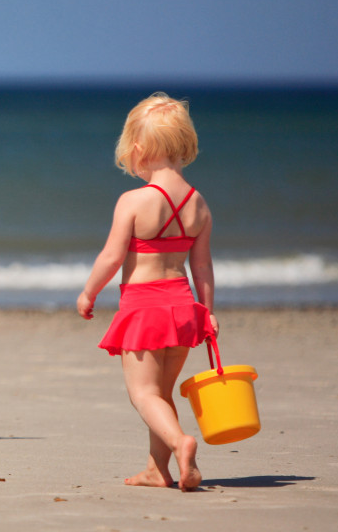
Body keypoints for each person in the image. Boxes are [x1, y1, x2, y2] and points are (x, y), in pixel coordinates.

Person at [77, 92, 220, 491]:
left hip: (143, 309)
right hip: (182, 306)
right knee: (162, 394)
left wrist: (89, 293)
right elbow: (203, 265)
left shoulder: (134, 201)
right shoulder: (199, 204)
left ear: (138, 150)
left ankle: (180, 443)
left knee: (142, 394)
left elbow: (111, 256)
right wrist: (207, 311)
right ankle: (157, 470)